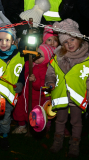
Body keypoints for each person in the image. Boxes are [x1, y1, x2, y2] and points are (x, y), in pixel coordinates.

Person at [45, 19, 89, 158]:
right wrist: (50, 82)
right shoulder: (58, 57)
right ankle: (57, 142)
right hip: (61, 95)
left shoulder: (86, 59)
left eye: (72, 39)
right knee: (60, 120)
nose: (69, 44)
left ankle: (74, 146)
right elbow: (50, 72)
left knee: (76, 122)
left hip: (78, 95)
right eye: (65, 42)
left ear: (79, 39)